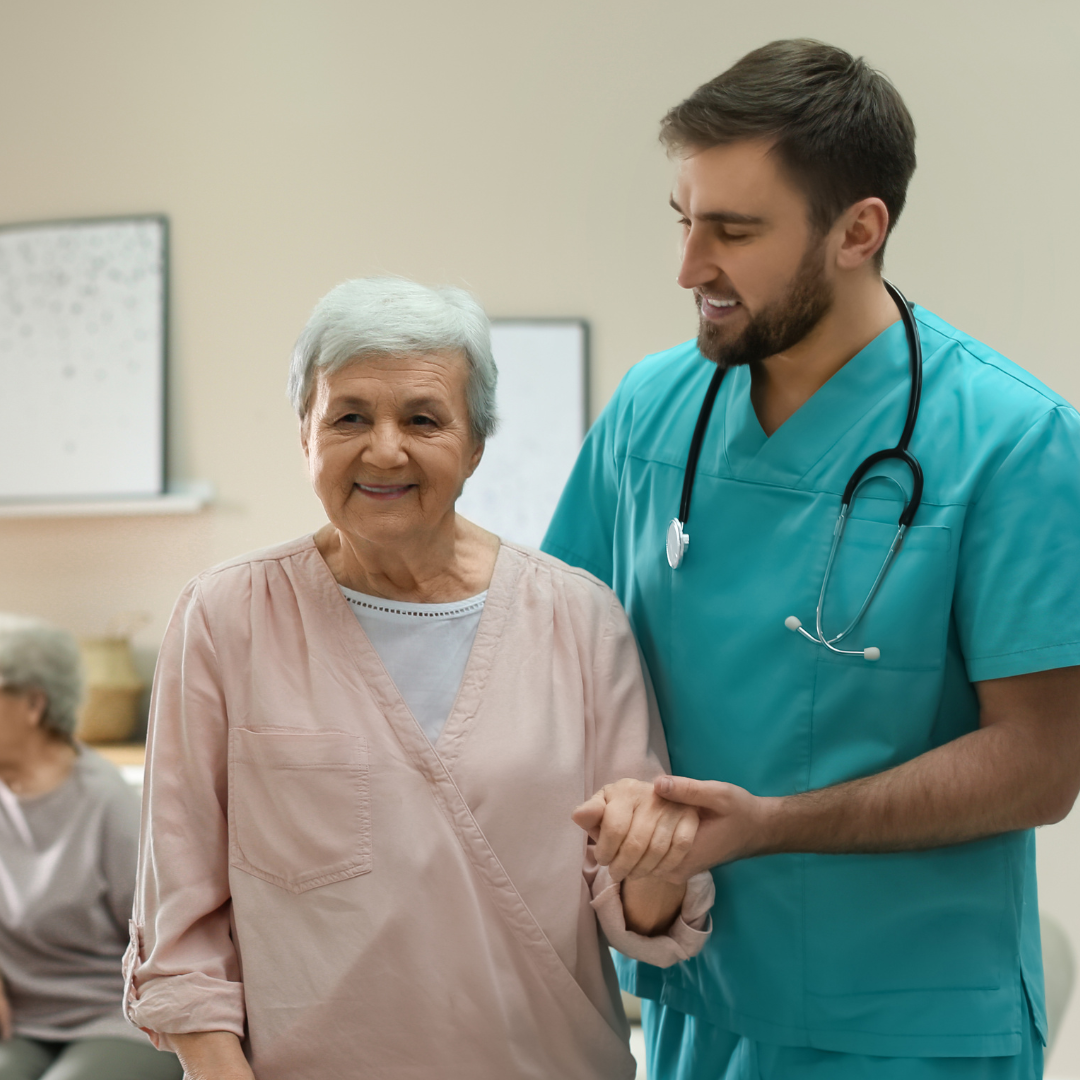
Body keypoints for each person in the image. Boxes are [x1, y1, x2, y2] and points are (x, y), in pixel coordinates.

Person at [549, 39, 1080, 1080]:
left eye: (735, 231)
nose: (690, 267)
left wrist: (770, 827)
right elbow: (553, 649)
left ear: (859, 230)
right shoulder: (654, 411)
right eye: (685, 220)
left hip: (911, 1019)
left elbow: (1042, 765)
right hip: (692, 995)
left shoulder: (1012, 441)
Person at [123, 276, 715, 1080]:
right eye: (350, 416)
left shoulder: (578, 619)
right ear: (306, 434)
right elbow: (178, 927)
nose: (385, 448)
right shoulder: (226, 618)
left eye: (424, 419)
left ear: (475, 444)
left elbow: (638, 914)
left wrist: (659, 859)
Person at [0, 615, 181, 1080]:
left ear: (33, 704)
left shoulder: (107, 802)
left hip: (113, 1014)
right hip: (19, 1018)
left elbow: (162, 942)